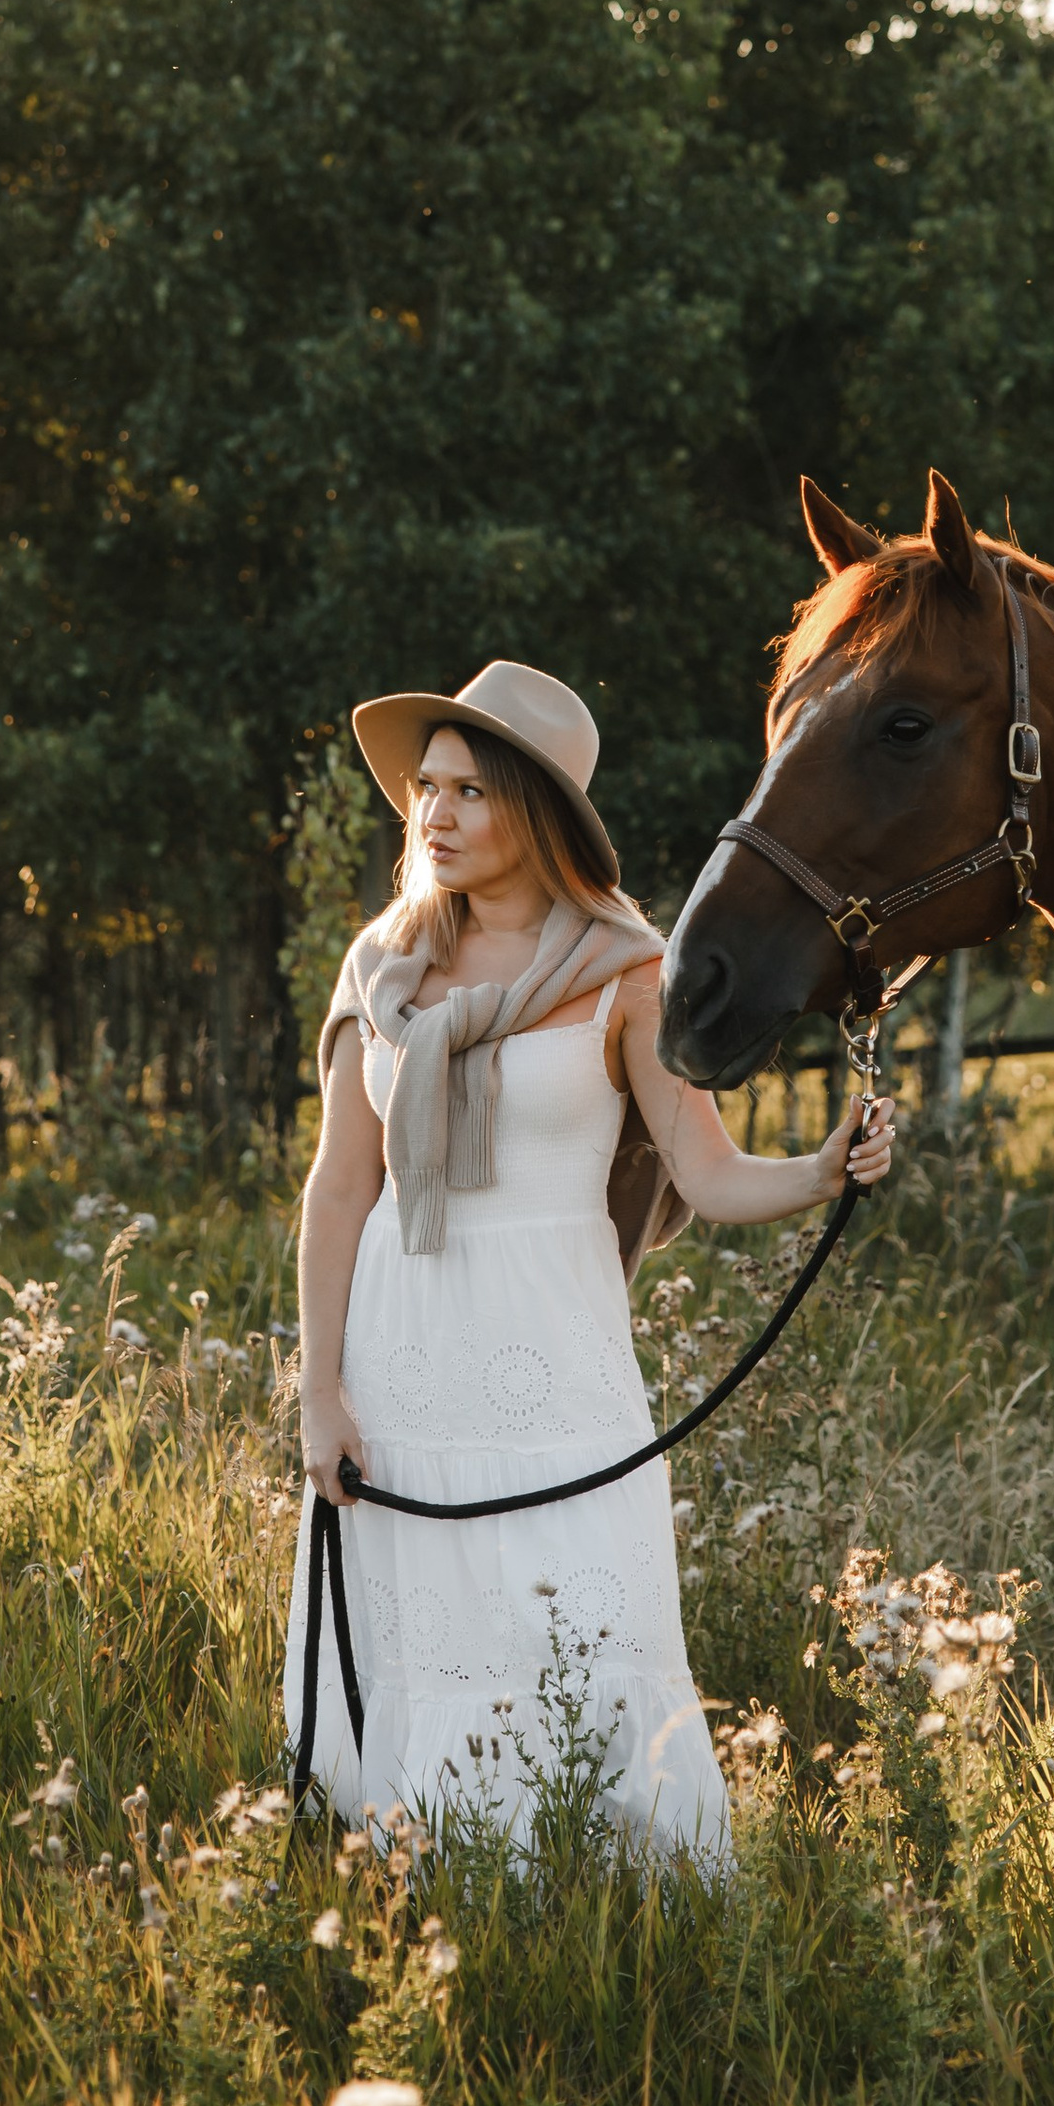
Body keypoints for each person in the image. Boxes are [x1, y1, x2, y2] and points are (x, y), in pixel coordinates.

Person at [288, 657, 895, 1858]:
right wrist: (320, 1392)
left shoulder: (627, 972)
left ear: (540, 813)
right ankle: (443, 1880)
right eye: (426, 790)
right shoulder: (387, 967)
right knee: (426, 1627)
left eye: (469, 791)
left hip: (559, 1360)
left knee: (575, 1622)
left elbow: (707, 1172)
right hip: (400, 1356)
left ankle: (610, 1897)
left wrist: (822, 1171)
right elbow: (343, 1186)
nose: (436, 817)